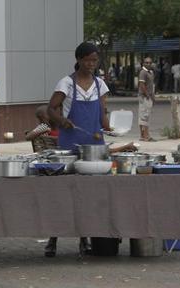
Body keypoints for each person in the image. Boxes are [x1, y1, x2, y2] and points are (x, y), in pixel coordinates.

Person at [46, 42, 137, 258]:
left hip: (94, 148)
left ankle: (85, 238)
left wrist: (110, 129)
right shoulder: (66, 83)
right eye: (88, 60)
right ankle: (52, 239)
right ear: (78, 60)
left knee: (90, 196)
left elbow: (102, 115)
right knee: (64, 195)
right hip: (70, 145)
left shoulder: (100, 85)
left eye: (95, 61)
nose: (92, 64)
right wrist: (62, 120)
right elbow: (50, 108)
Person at [138, 57, 156, 142]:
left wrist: (153, 95)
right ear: (143, 63)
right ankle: (146, 136)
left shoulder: (151, 72)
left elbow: (151, 85)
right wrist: (147, 95)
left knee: (144, 115)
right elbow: (142, 85)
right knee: (145, 116)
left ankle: (143, 135)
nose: (148, 64)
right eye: (146, 62)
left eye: (150, 62)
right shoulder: (143, 72)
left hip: (149, 96)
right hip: (144, 97)